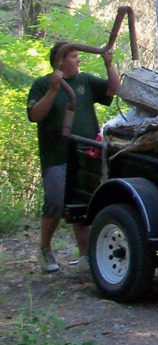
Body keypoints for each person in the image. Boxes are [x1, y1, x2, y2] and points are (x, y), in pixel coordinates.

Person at [27, 42, 120, 272]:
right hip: (57, 155)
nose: (79, 60)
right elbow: (35, 115)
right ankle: (45, 249)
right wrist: (53, 89)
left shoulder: (85, 81)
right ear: (60, 61)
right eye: (74, 56)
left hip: (86, 155)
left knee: (85, 205)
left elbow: (112, 89)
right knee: (56, 202)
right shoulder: (42, 84)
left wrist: (109, 64)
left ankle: (85, 256)